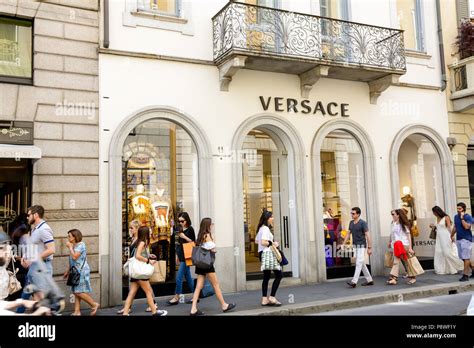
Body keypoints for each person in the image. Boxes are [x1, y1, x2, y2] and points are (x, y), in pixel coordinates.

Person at [190, 218, 236, 316]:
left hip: (200, 264)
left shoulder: (200, 235)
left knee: (198, 287)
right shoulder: (207, 235)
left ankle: (193, 308)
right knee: (216, 285)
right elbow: (212, 248)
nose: (212, 225)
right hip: (207, 264)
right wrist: (213, 247)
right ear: (208, 225)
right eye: (211, 224)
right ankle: (224, 305)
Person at [17, 205, 56, 313]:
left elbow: (52, 249)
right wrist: (25, 258)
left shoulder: (44, 229)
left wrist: (32, 260)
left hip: (41, 268)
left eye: (28, 215)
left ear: (36, 215)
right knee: (25, 296)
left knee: (43, 300)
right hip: (34, 268)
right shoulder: (35, 229)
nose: (27, 217)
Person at [122, 226, 167, 316]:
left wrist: (149, 255)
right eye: (149, 231)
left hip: (136, 272)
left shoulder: (141, 242)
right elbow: (137, 256)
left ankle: (125, 312)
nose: (150, 232)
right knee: (148, 291)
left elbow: (139, 254)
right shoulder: (142, 242)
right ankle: (154, 312)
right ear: (145, 233)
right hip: (140, 272)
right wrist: (148, 261)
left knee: (132, 293)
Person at [63, 229, 99, 316]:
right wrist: (67, 271)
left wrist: (70, 247)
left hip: (81, 271)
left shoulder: (81, 245)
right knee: (76, 291)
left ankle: (94, 304)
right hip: (75, 271)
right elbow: (72, 260)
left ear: (75, 237)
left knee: (78, 292)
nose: (68, 238)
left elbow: (75, 257)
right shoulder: (74, 246)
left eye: (69, 236)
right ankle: (77, 311)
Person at [167, 212, 196, 305]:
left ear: (186, 220)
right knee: (188, 277)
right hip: (181, 255)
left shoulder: (190, 229)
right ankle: (195, 295)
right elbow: (177, 242)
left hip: (187, 256)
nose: (180, 223)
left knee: (179, 277)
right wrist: (177, 255)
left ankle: (177, 296)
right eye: (179, 221)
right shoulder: (179, 228)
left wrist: (185, 237)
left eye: (182, 221)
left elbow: (193, 242)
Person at [255, 210, 283, 306]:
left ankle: (264, 299)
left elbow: (256, 241)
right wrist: (272, 243)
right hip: (268, 254)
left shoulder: (261, 228)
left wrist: (268, 242)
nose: (273, 218)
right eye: (271, 217)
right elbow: (263, 242)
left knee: (266, 277)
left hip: (262, 254)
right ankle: (272, 297)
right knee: (279, 275)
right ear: (267, 218)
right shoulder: (266, 229)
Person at [342, 207, 374, 287]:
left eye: (353, 213)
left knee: (358, 262)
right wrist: (343, 243)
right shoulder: (351, 223)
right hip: (355, 246)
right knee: (361, 263)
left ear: (358, 214)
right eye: (351, 213)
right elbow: (348, 234)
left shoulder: (363, 223)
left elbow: (368, 235)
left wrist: (369, 247)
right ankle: (369, 280)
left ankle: (354, 281)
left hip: (362, 246)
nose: (352, 215)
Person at [386, 209, 416, 285]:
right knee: (397, 261)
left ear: (398, 215)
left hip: (403, 245)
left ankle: (411, 277)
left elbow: (409, 235)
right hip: (396, 245)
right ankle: (394, 278)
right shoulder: (393, 223)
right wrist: (389, 241)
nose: (392, 216)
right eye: (391, 214)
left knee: (407, 262)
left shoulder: (404, 224)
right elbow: (391, 233)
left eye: (393, 214)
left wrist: (410, 248)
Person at [431, 206, 464, 275]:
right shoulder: (437, 218)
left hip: (445, 236)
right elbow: (438, 227)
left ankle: (459, 265)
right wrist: (433, 226)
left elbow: (449, 227)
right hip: (439, 237)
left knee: (447, 253)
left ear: (437, 211)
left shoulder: (446, 217)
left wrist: (452, 236)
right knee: (439, 252)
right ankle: (442, 269)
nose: (433, 213)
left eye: (434, 212)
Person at [452, 202, 474, 282]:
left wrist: (462, 218)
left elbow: (466, 227)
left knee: (466, 257)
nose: (458, 210)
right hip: (459, 239)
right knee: (462, 257)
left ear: (463, 209)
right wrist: (451, 235)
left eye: (460, 209)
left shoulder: (467, 217)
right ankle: (473, 270)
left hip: (466, 239)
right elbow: (455, 227)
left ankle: (465, 275)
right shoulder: (455, 216)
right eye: (457, 208)